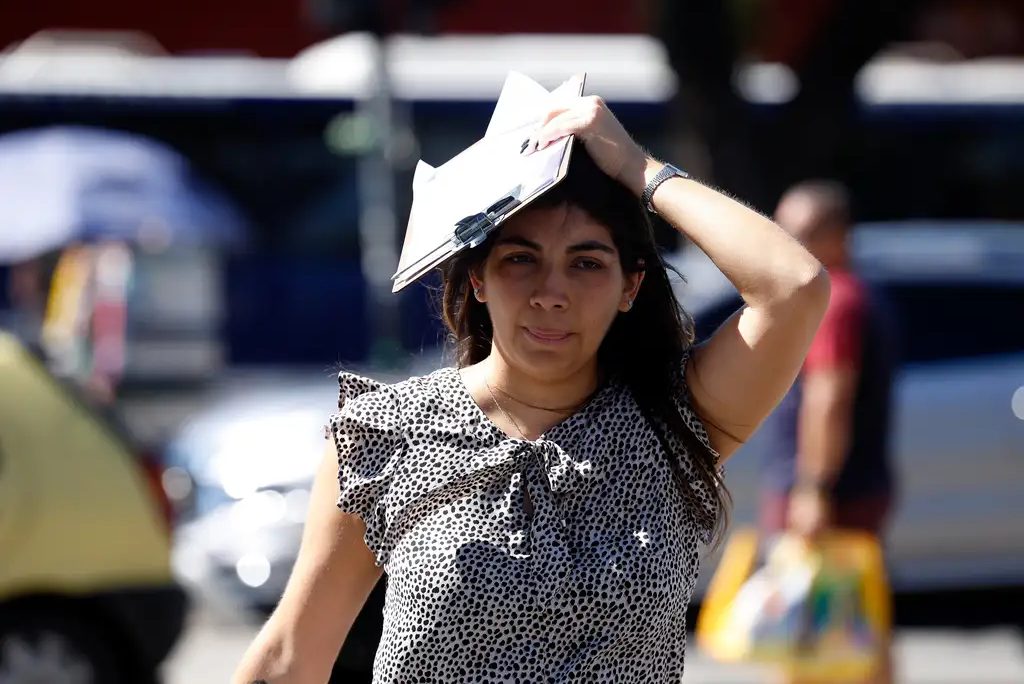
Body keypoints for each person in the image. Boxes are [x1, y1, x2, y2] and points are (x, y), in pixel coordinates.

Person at [232, 93, 830, 684]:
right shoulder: (386, 434)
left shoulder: (673, 421)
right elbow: (289, 657)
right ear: (478, 279)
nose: (551, 291)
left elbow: (794, 286)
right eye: (521, 259)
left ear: (630, 286)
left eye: (587, 263)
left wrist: (638, 168)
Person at [759, 179, 898, 684]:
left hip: (829, 494)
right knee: (858, 629)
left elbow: (829, 397)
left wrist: (811, 488)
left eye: (796, 231)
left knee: (804, 635)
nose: (781, 240)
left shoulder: (835, 301)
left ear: (835, 236)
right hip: (857, 486)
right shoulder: (862, 294)